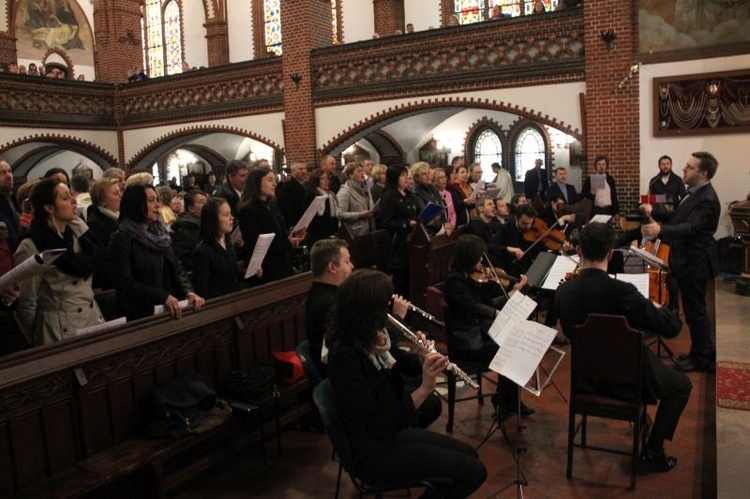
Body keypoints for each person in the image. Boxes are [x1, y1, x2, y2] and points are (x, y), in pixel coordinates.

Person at [326, 269, 487, 497]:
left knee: (472, 456)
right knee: (474, 472)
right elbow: (379, 422)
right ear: (368, 311)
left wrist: (420, 356)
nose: (389, 312)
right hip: (375, 452)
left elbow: (399, 365)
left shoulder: (369, 338)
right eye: (385, 306)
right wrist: (424, 389)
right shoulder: (346, 356)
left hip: (391, 435)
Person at [555, 222, 692, 473]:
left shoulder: (564, 293)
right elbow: (672, 329)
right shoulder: (623, 292)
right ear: (609, 254)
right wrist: (659, 309)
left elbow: (570, 333)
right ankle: (653, 451)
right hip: (628, 381)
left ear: (580, 252)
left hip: (586, 379)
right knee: (682, 386)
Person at [640, 152, 721, 373]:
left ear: (703, 173)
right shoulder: (693, 192)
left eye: (690, 167)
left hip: (696, 262)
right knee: (694, 310)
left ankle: (701, 358)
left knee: (696, 312)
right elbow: (678, 218)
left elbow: (691, 228)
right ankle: (703, 351)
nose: (684, 169)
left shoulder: (707, 198)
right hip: (688, 261)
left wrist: (660, 230)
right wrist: (654, 211)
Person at [443, 234, 531, 416]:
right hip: (467, 344)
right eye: (479, 256)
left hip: (479, 334)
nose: (482, 260)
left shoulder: (466, 276)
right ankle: (507, 402)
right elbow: (473, 307)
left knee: (511, 348)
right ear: (468, 257)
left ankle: (506, 400)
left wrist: (513, 292)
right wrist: (496, 313)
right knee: (509, 353)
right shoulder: (454, 282)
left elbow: (486, 303)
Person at [14, 178, 104, 344]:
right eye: (65, 198)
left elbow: (96, 261)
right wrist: (37, 337)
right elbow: (27, 302)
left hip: (90, 319)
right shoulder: (32, 244)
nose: (73, 200)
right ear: (49, 208)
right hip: (58, 329)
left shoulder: (79, 235)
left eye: (71, 195)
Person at [108, 184, 204, 321]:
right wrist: (162, 296)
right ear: (136, 204)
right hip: (141, 314)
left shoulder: (159, 234)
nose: (158, 205)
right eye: (151, 200)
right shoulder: (121, 239)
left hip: (169, 308)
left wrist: (189, 292)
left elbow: (177, 266)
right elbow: (126, 283)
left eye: (157, 200)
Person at [239, 167, 305, 284]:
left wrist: (292, 236)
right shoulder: (248, 210)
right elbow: (256, 247)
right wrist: (288, 243)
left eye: (274, 180)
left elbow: (278, 236)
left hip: (283, 265)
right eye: (270, 180)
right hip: (268, 270)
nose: (274, 184)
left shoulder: (271, 204)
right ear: (257, 182)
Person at [305, 238, 354, 376]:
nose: (352, 266)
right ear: (332, 267)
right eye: (347, 261)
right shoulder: (329, 302)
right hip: (339, 373)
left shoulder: (323, 293)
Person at [192, 197, 248, 299]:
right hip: (219, 306)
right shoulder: (202, 252)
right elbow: (202, 290)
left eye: (230, 213)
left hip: (235, 300)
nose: (232, 218)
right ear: (212, 219)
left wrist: (250, 273)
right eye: (226, 215)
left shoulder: (228, 243)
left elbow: (233, 272)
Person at [378, 165, 417, 298]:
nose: (406, 178)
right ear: (395, 178)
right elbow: (386, 222)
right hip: (397, 242)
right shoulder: (389, 196)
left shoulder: (409, 194)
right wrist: (406, 224)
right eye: (402, 175)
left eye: (406, 174)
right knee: (399, 279)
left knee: (409, 277)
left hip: (411, 240)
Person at [87, 177, 122, 290]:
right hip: (110, 285)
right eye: (115, 193)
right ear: (102, 200)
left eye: (120, 191)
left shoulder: (117, 218)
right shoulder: (96, 224)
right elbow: (104, 259)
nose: (120, 196)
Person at [171, 190, 208, 272]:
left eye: (207, 201)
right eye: (202, 202)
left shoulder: (206, 223)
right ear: (191, 208)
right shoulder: (186, 228)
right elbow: (184, 260)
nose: (207, 205)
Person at [410, 162, 449, 236]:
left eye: (428, 173)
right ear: (416, 177)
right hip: (427, 231)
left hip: (439, 227)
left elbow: (440, 205)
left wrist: (445, 222)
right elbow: (424, 213)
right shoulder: (416, 192)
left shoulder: (432, 187)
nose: (428, 176)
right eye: (424, 174)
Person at [337, 162, 375, 236]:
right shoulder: (345, 191)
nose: (362, 173)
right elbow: (339, 214)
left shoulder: (366, 188)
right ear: (351, 175)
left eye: (362, 171)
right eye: (359, 171)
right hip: (354, 233)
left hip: (369, 231)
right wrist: (359, 215)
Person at [304, 169, 339, 246]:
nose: (326, 181)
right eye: (322, 178)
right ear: (316, 181)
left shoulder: (330, 196)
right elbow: (312, 219)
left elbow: (334, 217)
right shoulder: (312, 196)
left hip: (330, 236)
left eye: (327, 178)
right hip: (317, 237)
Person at [0, 159, 21, 279]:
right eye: (2, 172)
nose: (8, 175)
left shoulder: (11, 198)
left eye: (9, 171)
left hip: (16, 264)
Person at [583, 155, 620, 220]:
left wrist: (616, 212)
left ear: (606, 166)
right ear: (596, 166)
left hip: (608, 209)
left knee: (607, 229)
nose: (601, 166)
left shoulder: (610, 179)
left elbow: (614, 196)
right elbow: (583, 195)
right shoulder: (590, 179)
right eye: (599, 164)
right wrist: (591, 193)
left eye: (603, 164)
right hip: (595, 210)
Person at [276, 159, 309, 229]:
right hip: (295, 225)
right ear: (293, 171)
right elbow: (287, 210)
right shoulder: (287, 187)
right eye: (300, 169)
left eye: (305, 168)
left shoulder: (307, 185)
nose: (304, 171)